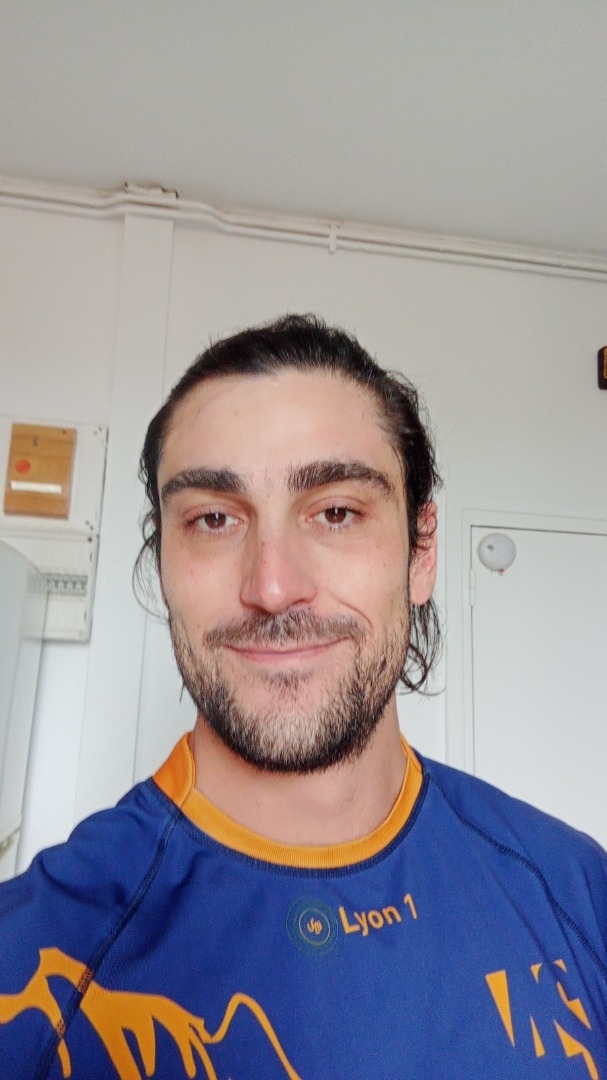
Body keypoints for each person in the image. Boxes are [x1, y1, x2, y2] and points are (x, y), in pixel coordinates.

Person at [0, 315, 606, 1079]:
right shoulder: (30, 968)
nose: (272, 585)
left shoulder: (574, 887)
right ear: (162, 565)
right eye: (213, 519)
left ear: (421, 553)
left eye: (336, 512)